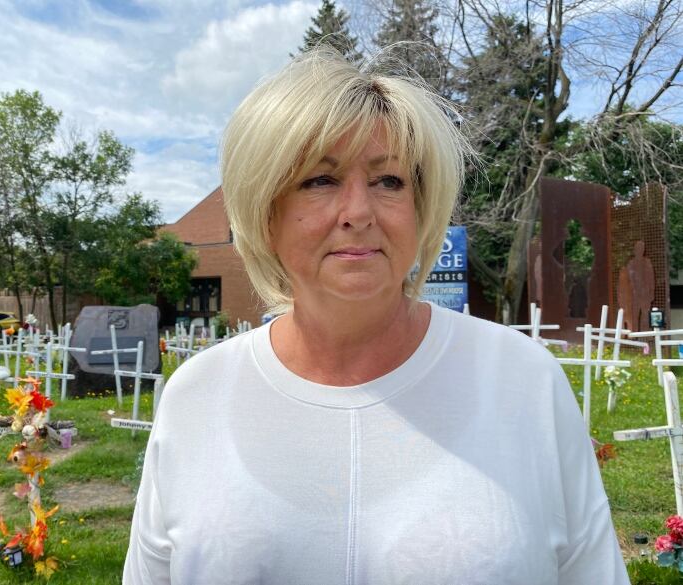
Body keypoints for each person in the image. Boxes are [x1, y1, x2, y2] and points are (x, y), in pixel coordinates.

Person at [123, 49, 630, 584]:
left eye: (389, 181)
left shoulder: (522, 381)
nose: (359, 213)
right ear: (264, 210)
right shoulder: (197, 396)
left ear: (421, 207)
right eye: (320, 180)